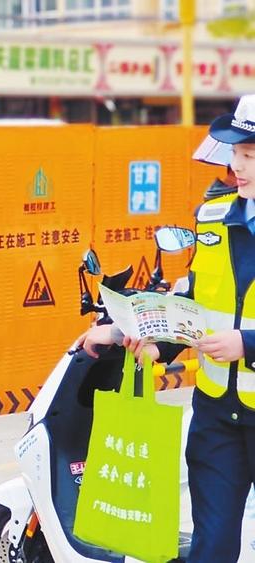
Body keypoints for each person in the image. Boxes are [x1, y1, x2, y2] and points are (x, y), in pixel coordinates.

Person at [78, 94, 255, 562]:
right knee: (211, 546)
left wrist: (247, 343)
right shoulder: (213, 218)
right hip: (217, 416)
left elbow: (239, 326)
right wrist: (149, 340)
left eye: (250, 155)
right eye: (236, 153)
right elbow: (197, 300)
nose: (237, 166)